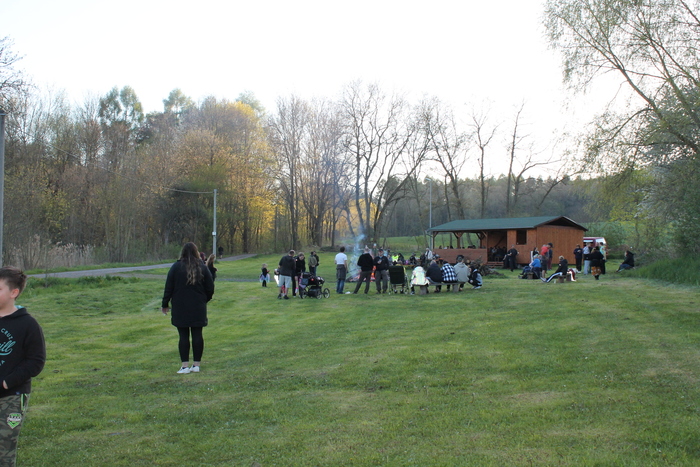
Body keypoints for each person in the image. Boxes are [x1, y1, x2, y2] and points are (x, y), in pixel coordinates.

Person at [0, 267, 45, 467]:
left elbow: (36, 361)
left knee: (4, 449)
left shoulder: (27, 324)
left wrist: (7, 382)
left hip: (12, 396)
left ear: (14, 292)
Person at [162, 242, 215, 374]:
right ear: (196, 252)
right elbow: (210, 287)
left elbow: (169, 287)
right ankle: (196, 365)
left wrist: (165, 304)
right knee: (197, 334)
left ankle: (185, 366)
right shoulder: (202, 267)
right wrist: (204, 299)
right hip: (198, 306)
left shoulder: (176, 267)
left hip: (180, 306)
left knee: (183, 336)